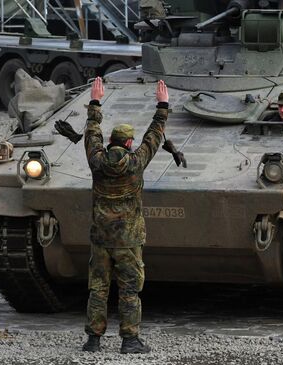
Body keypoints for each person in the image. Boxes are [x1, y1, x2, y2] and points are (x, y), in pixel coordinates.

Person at [81, 77, 169, 354]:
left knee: (98, 289)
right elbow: (154, 136)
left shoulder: (96, 160)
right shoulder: (136, 162)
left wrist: (95, 102)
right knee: (129, 290)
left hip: (101, 237)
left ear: (111, 141)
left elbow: (91, 133)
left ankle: (93, 341)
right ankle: (129, 340)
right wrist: (162, 106)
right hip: (128, 239)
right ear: (129, 142)